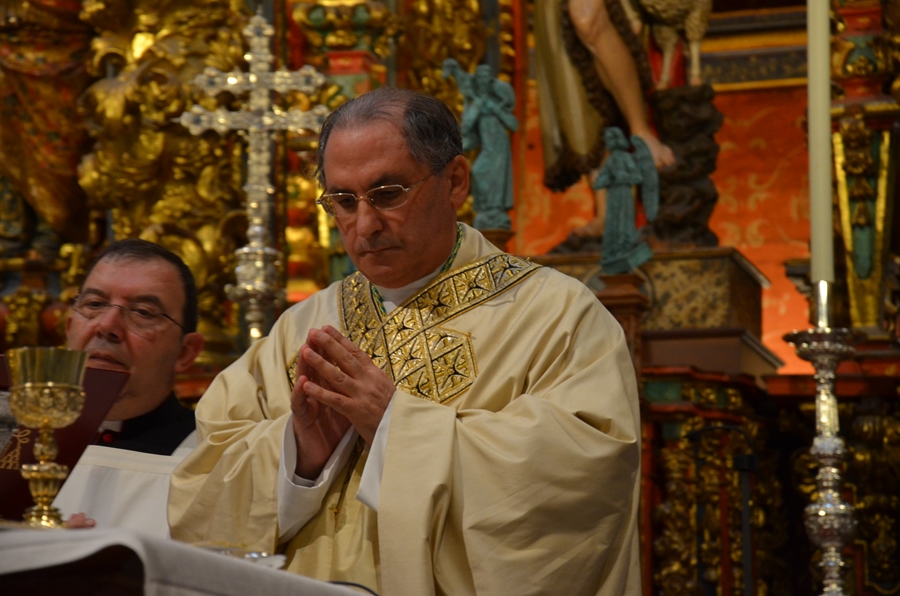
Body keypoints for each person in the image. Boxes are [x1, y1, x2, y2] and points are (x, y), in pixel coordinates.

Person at [169, 87, 641, 596]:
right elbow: (200, 482)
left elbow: (583, 479)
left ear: (455, 181)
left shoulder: (556, 314)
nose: (365, 226)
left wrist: (395, 426)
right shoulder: (302, 326)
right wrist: (299, 455)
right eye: (343, 202)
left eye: (388, 193)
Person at [54, 239, 204, 536]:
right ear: (70, 327)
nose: (107, 325)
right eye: (94, 305)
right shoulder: (14, 442)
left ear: (185, 352)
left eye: (143, 312)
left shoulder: (211, 458)